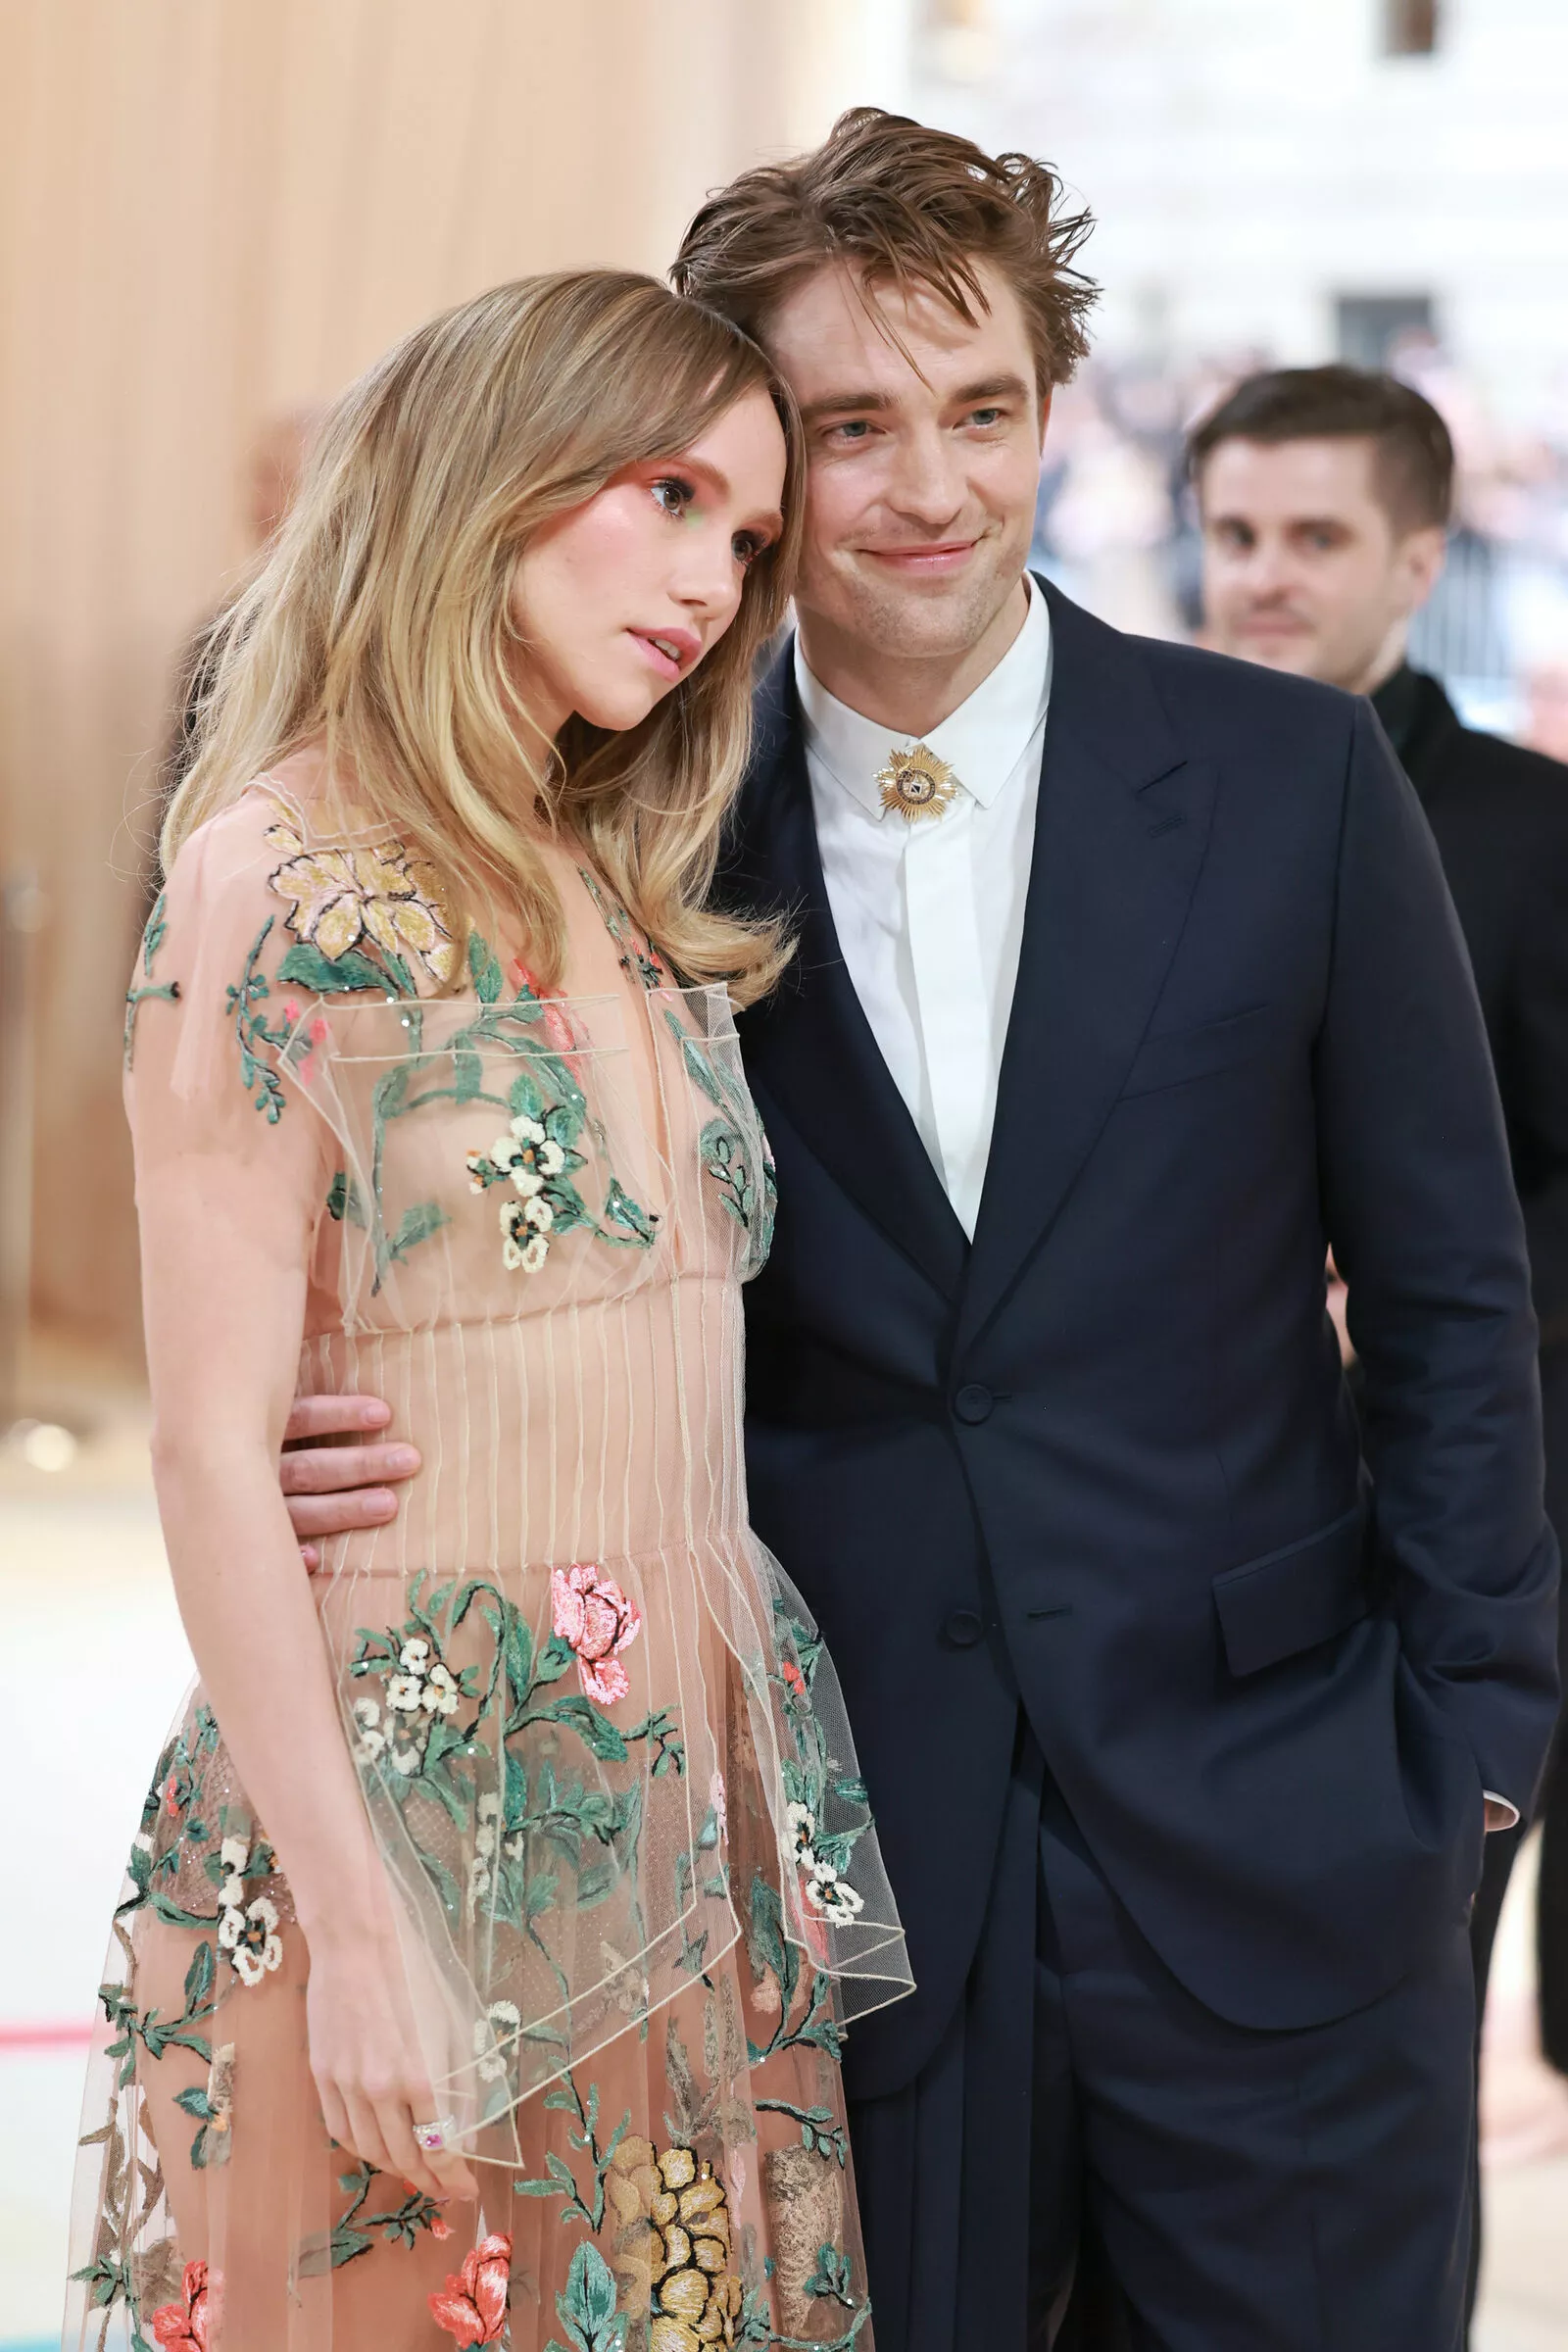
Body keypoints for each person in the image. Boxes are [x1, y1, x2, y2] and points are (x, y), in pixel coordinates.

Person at [270, 115, 1558, 2350]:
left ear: (1055, 415)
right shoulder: (617, 839)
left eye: (982, 410)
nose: (929, 487)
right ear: (758, 453)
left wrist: (1469, 1752)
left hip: (1287, 1835)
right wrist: (350, 1425)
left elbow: (1453, 1301)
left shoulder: (1291, 779)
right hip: (826, 1879)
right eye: (852, 425)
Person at [72, 269, 915, 2352]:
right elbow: (208, 1445)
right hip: (402, 1794)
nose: (711, 580)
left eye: (745, 536)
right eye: (666, 495)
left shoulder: (611, 867)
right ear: (490, 473)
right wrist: (357, 1931)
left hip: (672, 1776)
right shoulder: (276, 869)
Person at [1190, 362, 1568, 2090]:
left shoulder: (1533, 830)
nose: (1264, 574)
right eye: (1236, 534)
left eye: (1315, 537)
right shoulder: (1145, 796)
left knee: (1408, 2040)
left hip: (1441, 1523)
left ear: (1418, 562)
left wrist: (1387, 1284)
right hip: (1190, 1526)